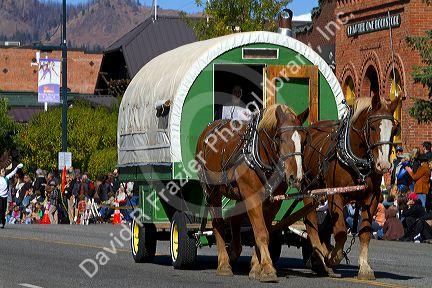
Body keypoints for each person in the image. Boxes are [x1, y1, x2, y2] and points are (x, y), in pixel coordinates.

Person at [0, 163, 23, 229]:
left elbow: (13, 172)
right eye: (2, 171)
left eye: (4, 171)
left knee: (4, 210)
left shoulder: (6, 178)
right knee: (0, 209)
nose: (4, 172)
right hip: (0, 196)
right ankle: (1, 222)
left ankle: (3, 222)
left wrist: (17, 167)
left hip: (5, 197)